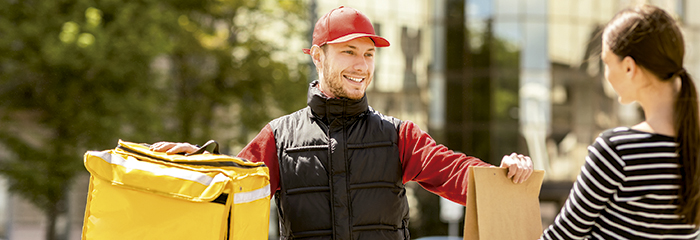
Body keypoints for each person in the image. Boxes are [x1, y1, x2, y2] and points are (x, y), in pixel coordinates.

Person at [151, 6, 534, 240]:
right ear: (318, 56)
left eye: (368, 55)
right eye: (349, 52)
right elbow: (232, 189)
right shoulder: (279, 137)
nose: (361, 65)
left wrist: (504, 173)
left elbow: (459, 174)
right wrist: (195, 164)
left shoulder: (398, 136)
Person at [540, 4, 700, 240]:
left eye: (606, 62)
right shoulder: (693, 149)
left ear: (628, 67)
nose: (605, 74)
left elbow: (562, 237)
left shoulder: (617, 150)